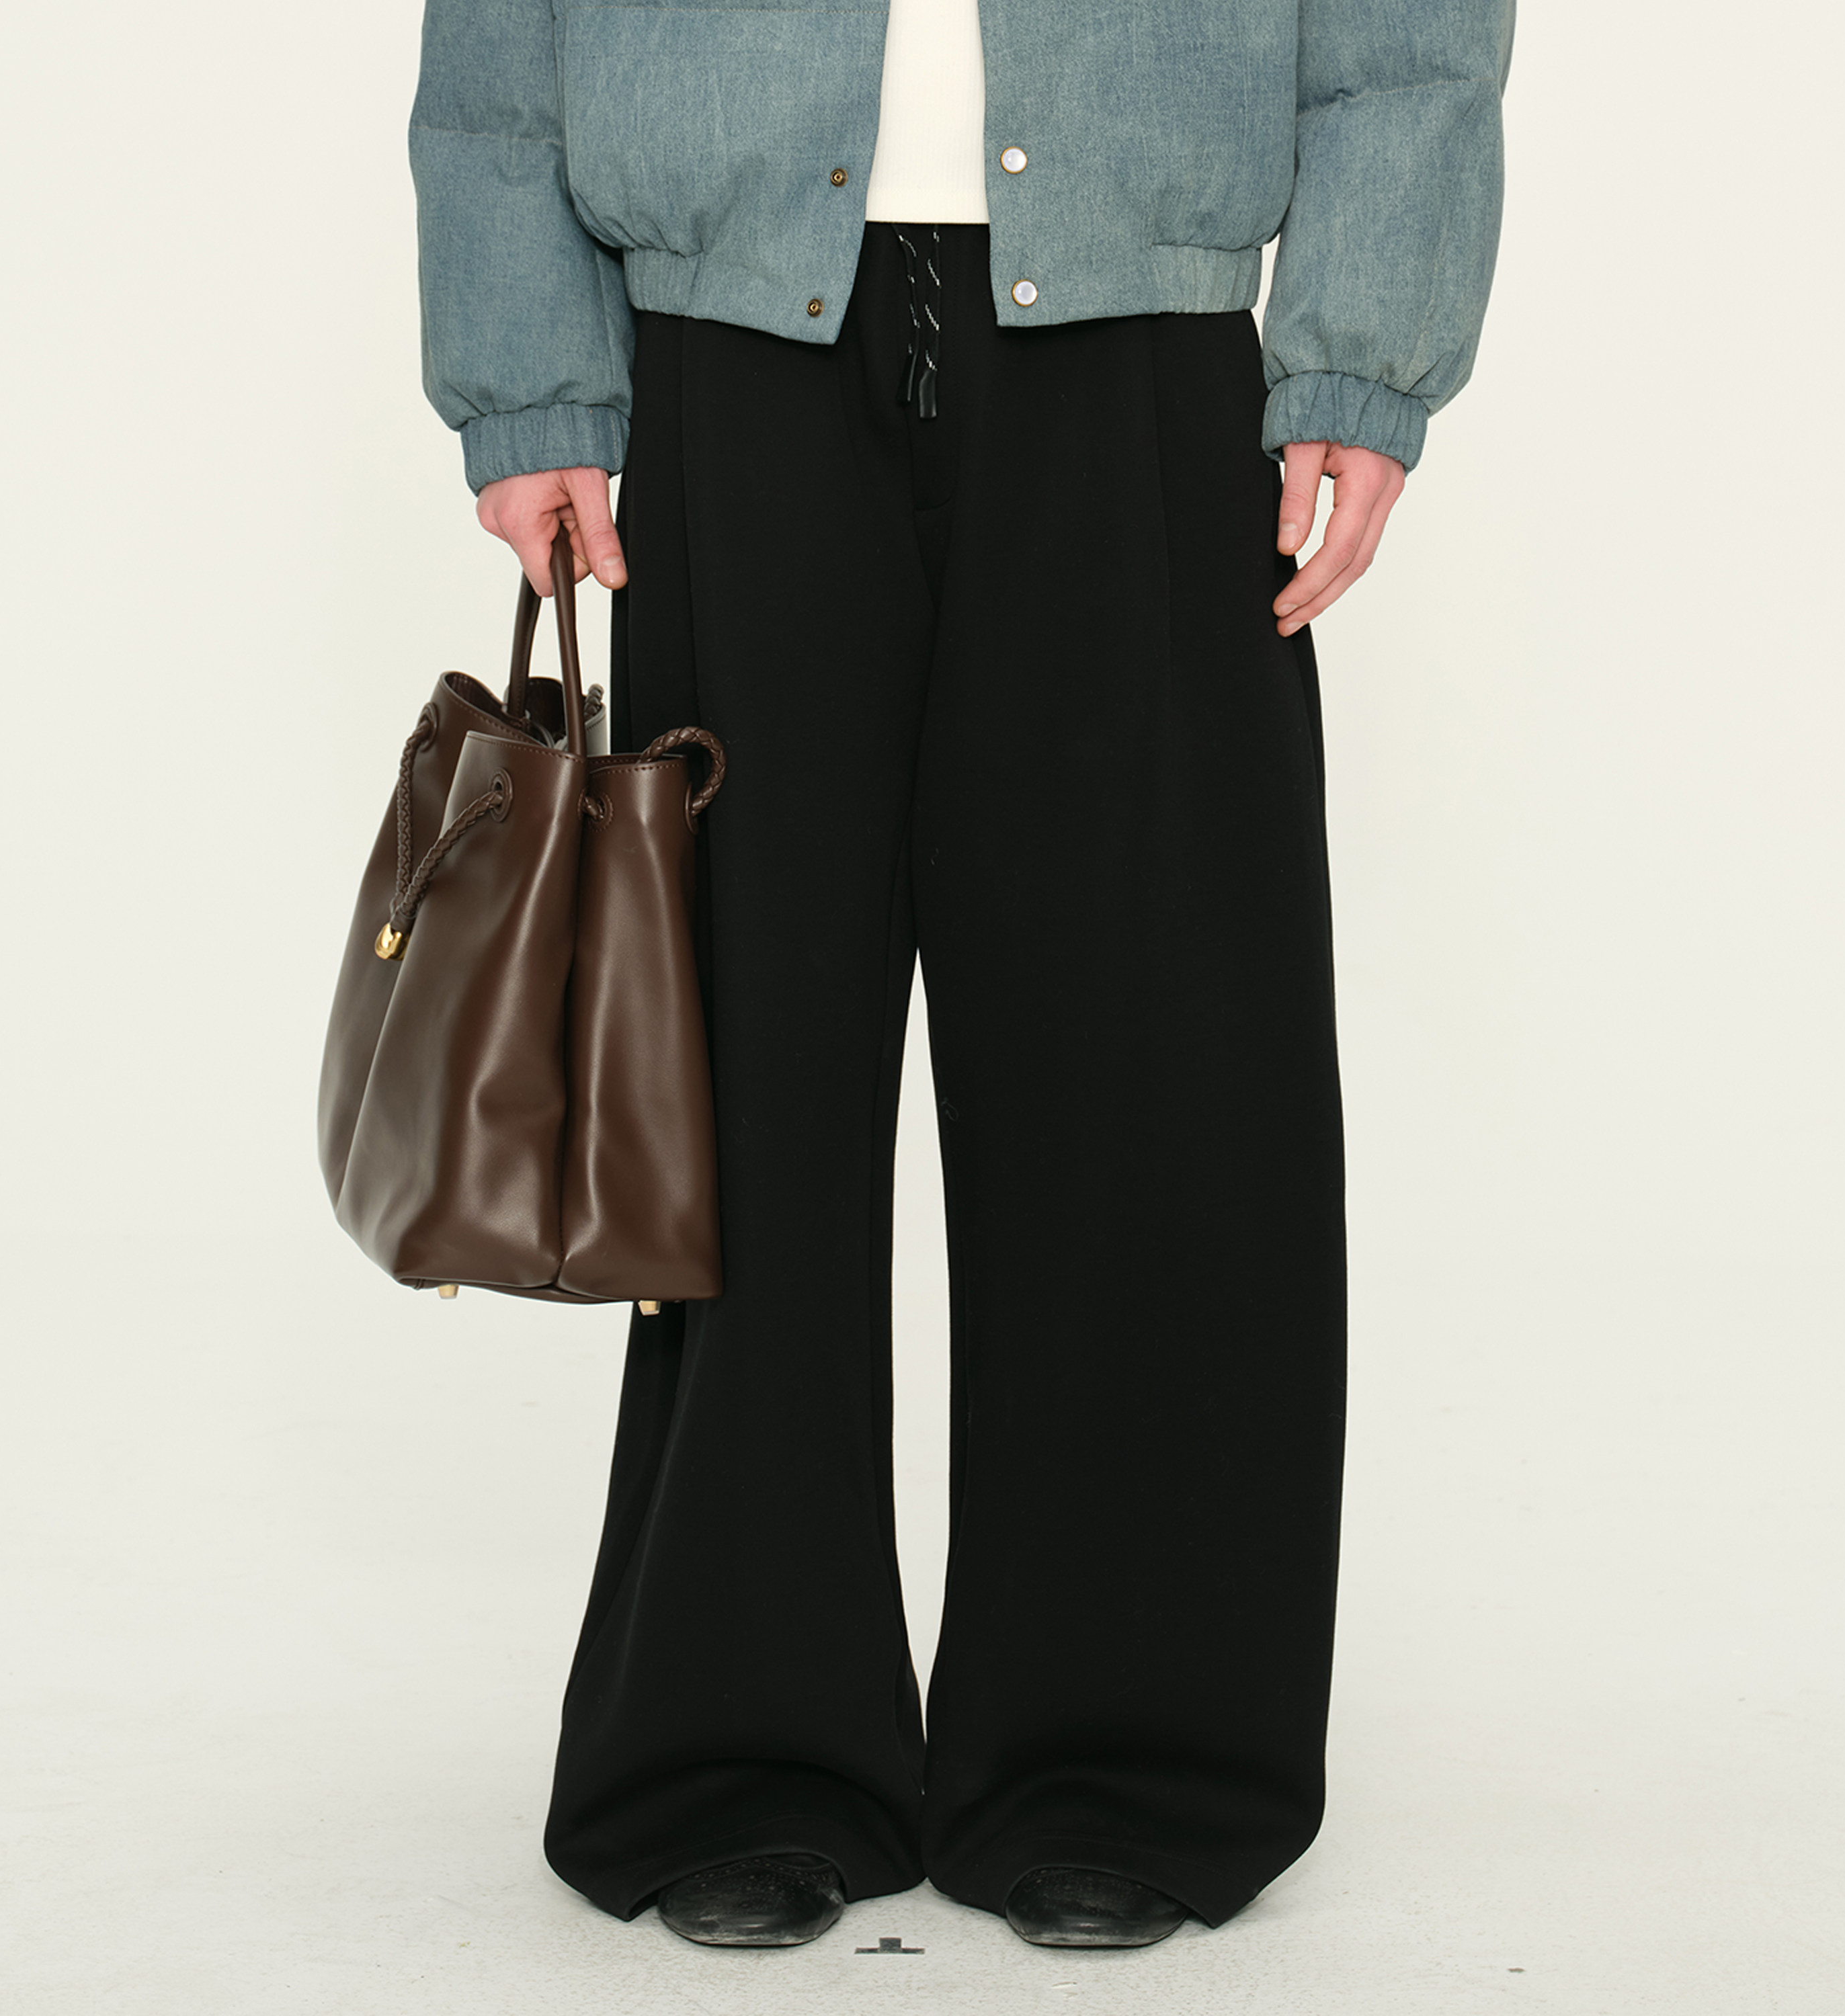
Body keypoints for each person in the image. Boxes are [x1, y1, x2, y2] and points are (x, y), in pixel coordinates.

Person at [409, 0, 1514, 1952]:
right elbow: (498, 38)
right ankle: (736, 1751)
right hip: (727, 348)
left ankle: (1131, 1754)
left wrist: (1366, 338)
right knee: (728, 1068)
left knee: (1150, 1061)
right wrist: (530, 378)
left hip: (1148, 348)